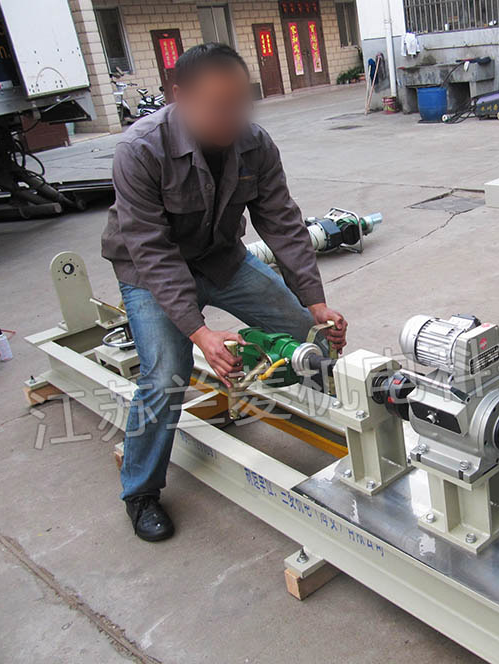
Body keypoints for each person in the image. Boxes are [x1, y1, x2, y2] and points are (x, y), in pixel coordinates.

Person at [101, 43, 347, 542]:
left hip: (221, 258)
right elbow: (151, 250)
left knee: (305, 332)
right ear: (179, 96)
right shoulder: (140, 150)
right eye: (216, 105)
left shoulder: (254, 144)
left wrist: (315, 301)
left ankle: (342, 427)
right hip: (149, 271)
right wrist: (199, 333)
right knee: (165, 374)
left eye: (239, 103)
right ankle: (141, 491)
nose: (230, 117)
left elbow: (282, 223)